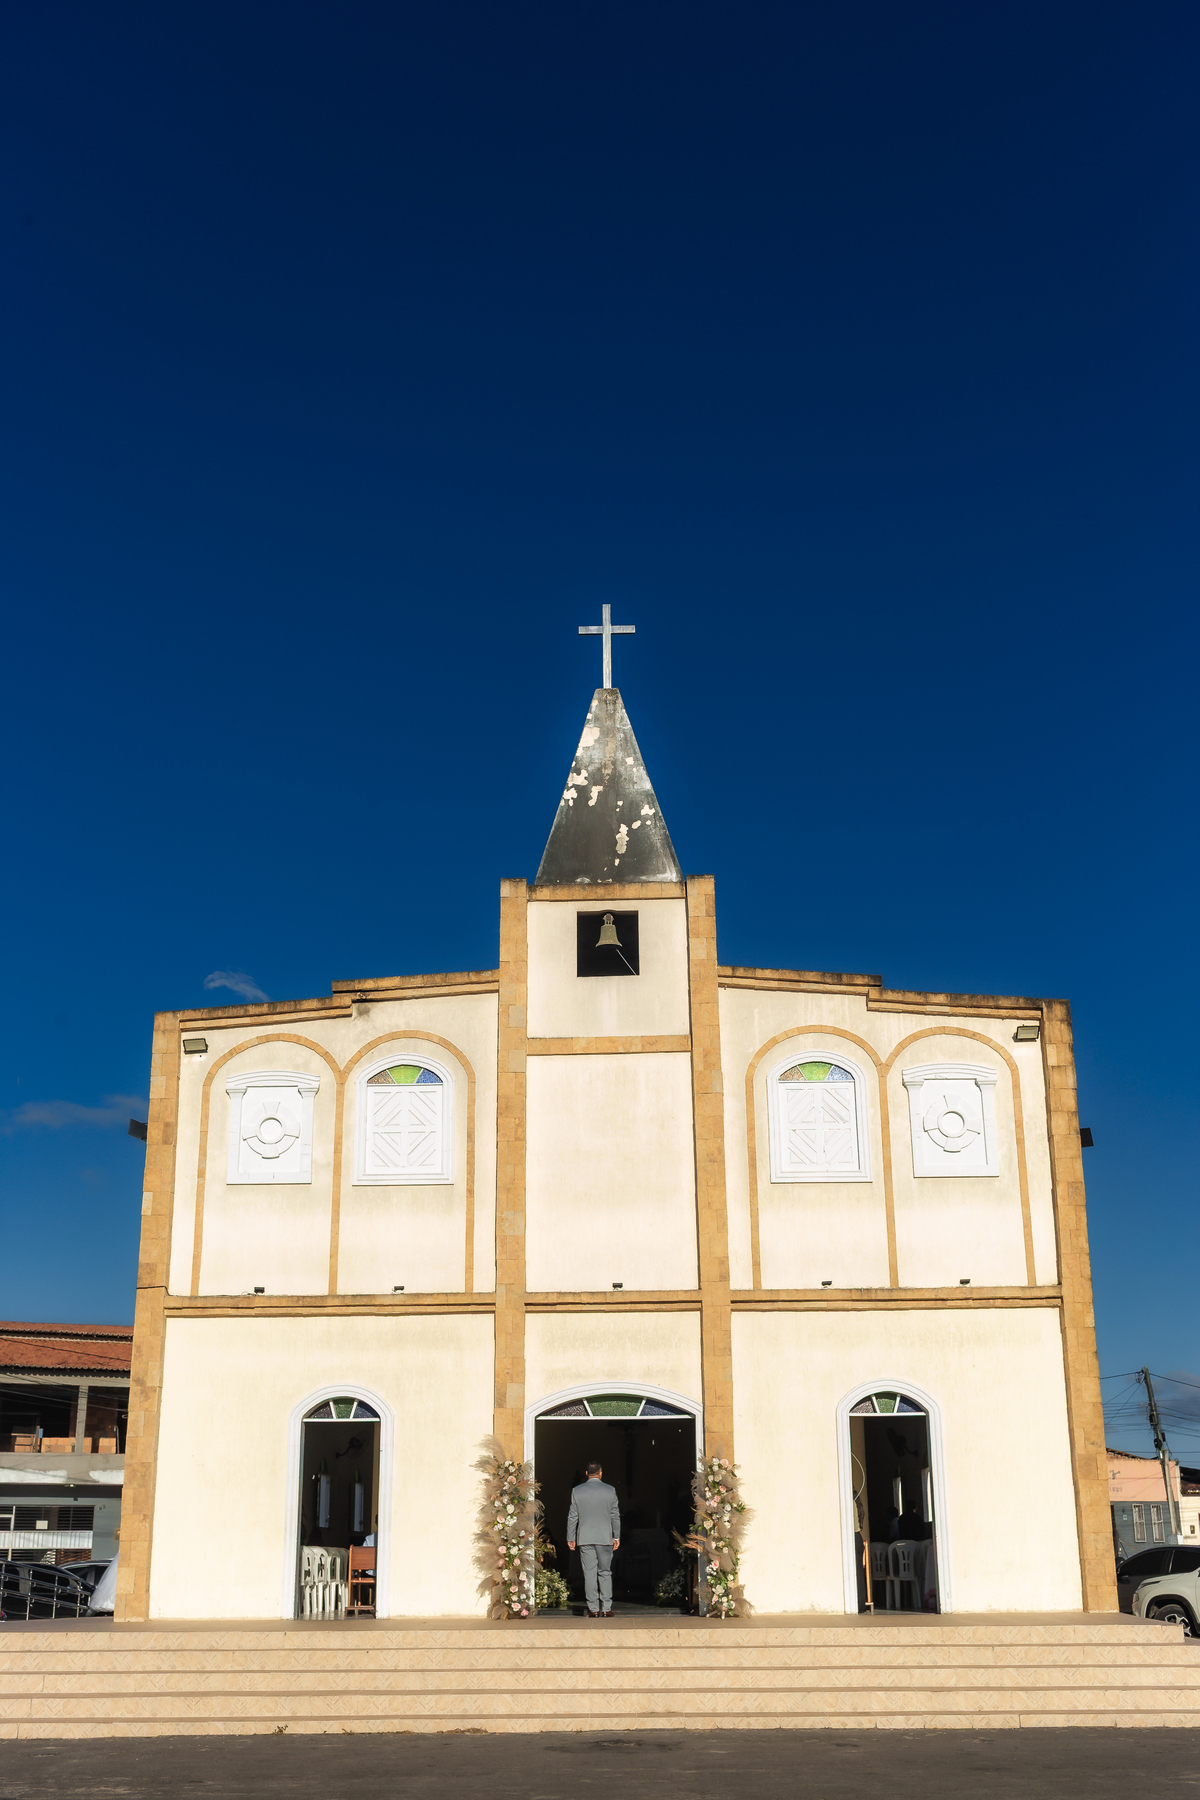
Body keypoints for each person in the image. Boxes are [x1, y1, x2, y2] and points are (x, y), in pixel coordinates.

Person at [566, 1461, 621, 1619]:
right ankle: (607, 1607)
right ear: (601, 1473)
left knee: (589, 1573)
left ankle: (593, 1609)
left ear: (586, 1473)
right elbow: (615, 1515)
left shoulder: (577, 1491)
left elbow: (572, 1516)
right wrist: (616, 1536)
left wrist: (571, 1537)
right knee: (605, 1572)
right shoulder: (610, 1490)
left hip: (585, 1537)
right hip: (604, 1537)